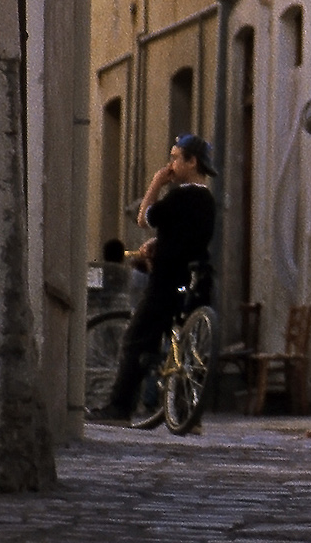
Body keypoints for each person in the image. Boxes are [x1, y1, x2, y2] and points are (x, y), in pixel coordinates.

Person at [89, 133, 218, 422]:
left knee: (135, 340)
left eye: (175, 157)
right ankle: (186, 415)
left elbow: (145, 218)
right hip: (198, 277)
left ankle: (119, 407)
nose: (171, 163)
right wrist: (160, 245)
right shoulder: (207, 200)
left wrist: (157, 182)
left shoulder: (181, 195)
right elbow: (188, 236)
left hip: (168, 280)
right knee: (188, 345)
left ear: (191, 161)